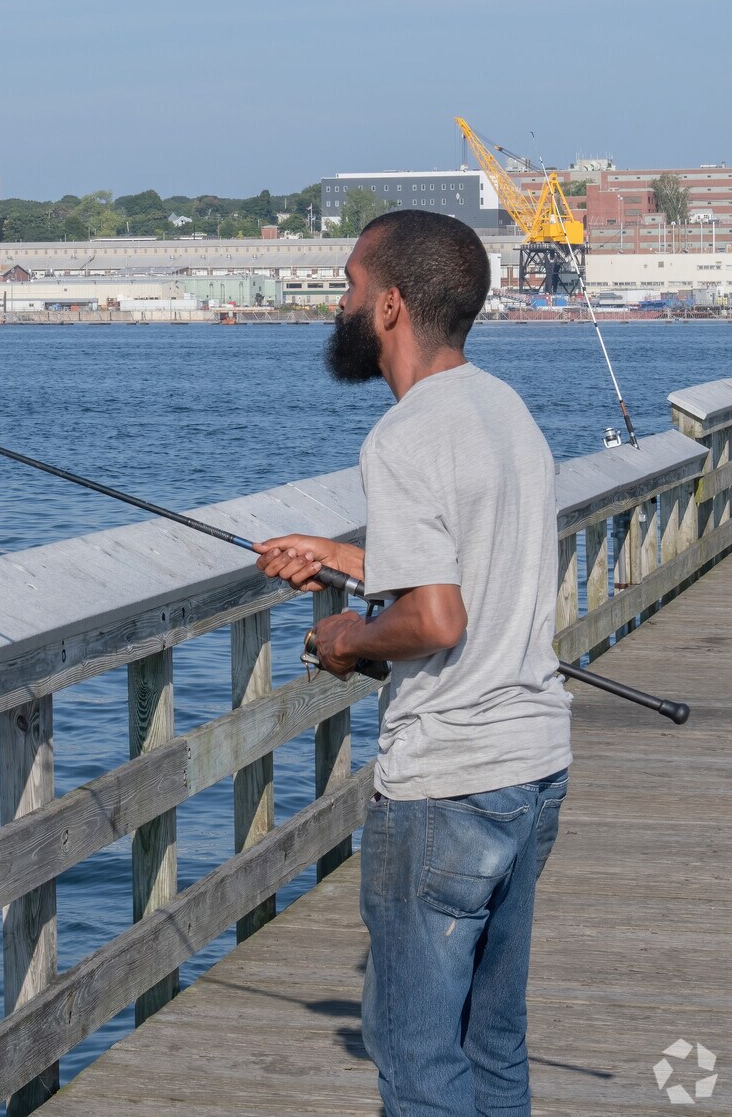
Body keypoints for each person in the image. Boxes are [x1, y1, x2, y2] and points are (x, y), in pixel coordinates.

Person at [251, 210, 570, 1117]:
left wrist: (344, 639)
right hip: (532, 767)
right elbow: (475, 564)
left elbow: (434, 617)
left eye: (351, 287)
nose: (341, 303)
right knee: (492, 1046)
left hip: (447, 785)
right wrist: (350, 559)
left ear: (389, 305)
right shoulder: (502, 409)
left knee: (419, 1061)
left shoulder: (402, 437)